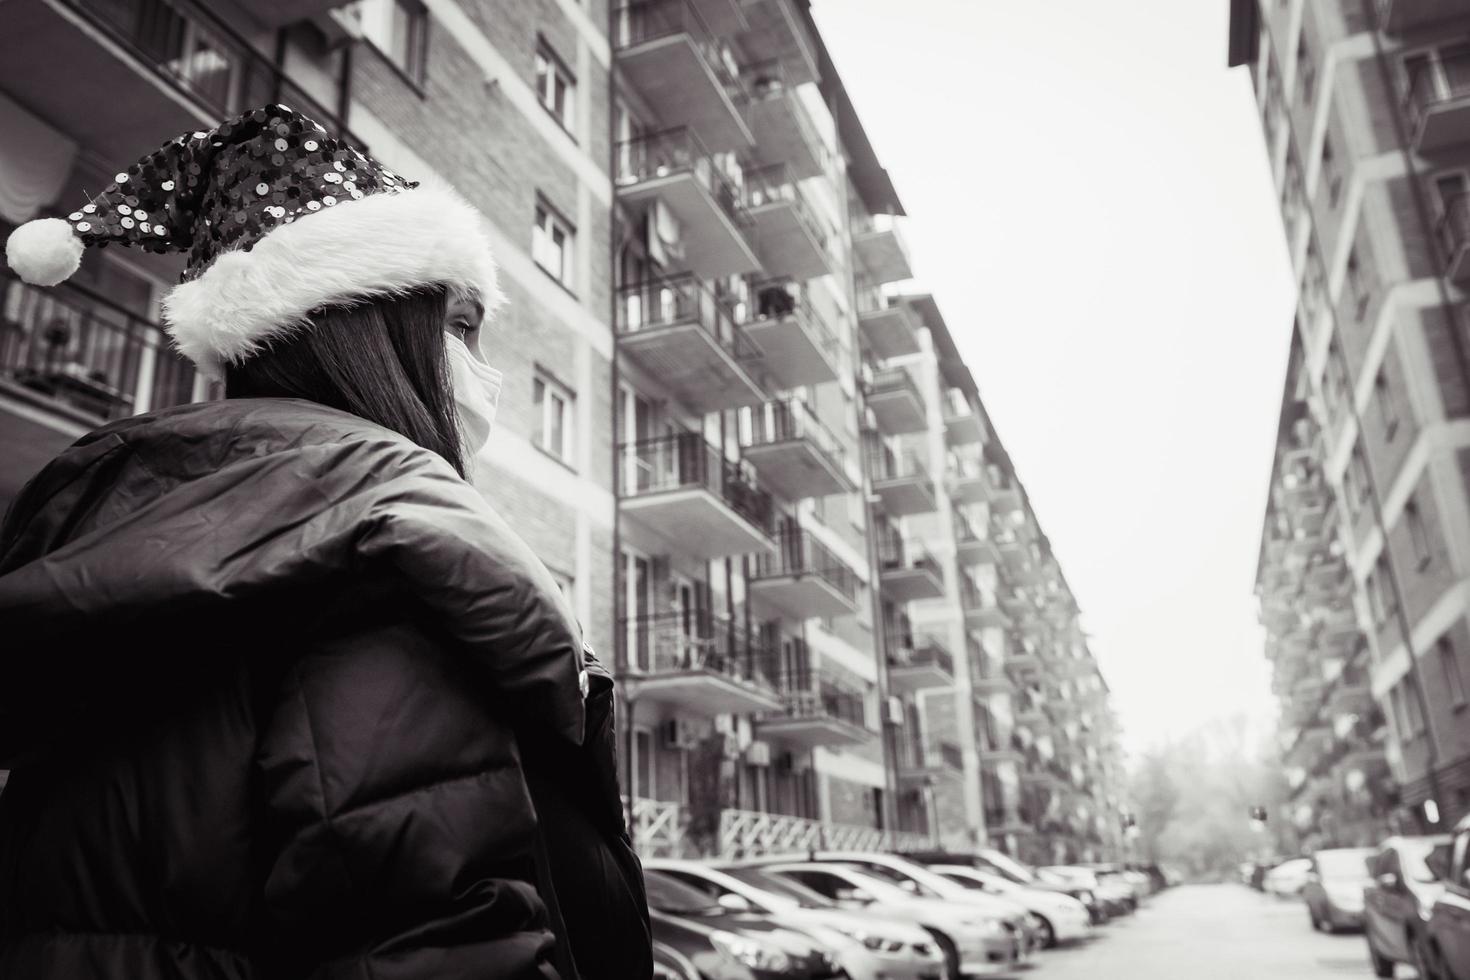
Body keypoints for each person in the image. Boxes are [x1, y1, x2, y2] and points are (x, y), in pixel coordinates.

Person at [0, 104, 650, 979]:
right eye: (457, 328)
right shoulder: (383, 568)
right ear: (370, 334)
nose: (481, 371)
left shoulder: (143, 543)